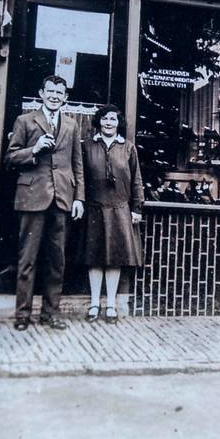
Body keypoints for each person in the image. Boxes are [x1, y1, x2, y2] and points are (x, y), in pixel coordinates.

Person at [5, 75, 84, 331]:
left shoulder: (72, 125)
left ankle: (51, 313)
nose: (54, 96)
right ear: (41, 92)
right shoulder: (25, 121)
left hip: (61, 199)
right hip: (32, 198)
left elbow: (77, 165)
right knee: (27, 259)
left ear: (65, 97)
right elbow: (11, 157)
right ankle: (22, 315)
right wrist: (35, 149)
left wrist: (79, 198)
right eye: (50, 91)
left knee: (56, 260)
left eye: (59, 92)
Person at [81, 104, 144, 324]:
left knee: (114, 258)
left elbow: (136, 179)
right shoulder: (87, 146)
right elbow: (80, 178)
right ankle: (95, 303)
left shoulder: (128, 148)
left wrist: (137, 207)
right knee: (95, 258)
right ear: (99, 122)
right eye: (105, 119)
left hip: (119, 209)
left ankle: (110, 306)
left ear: (119, 123)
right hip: (94, 208)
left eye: (113, 119)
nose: (109, 123)